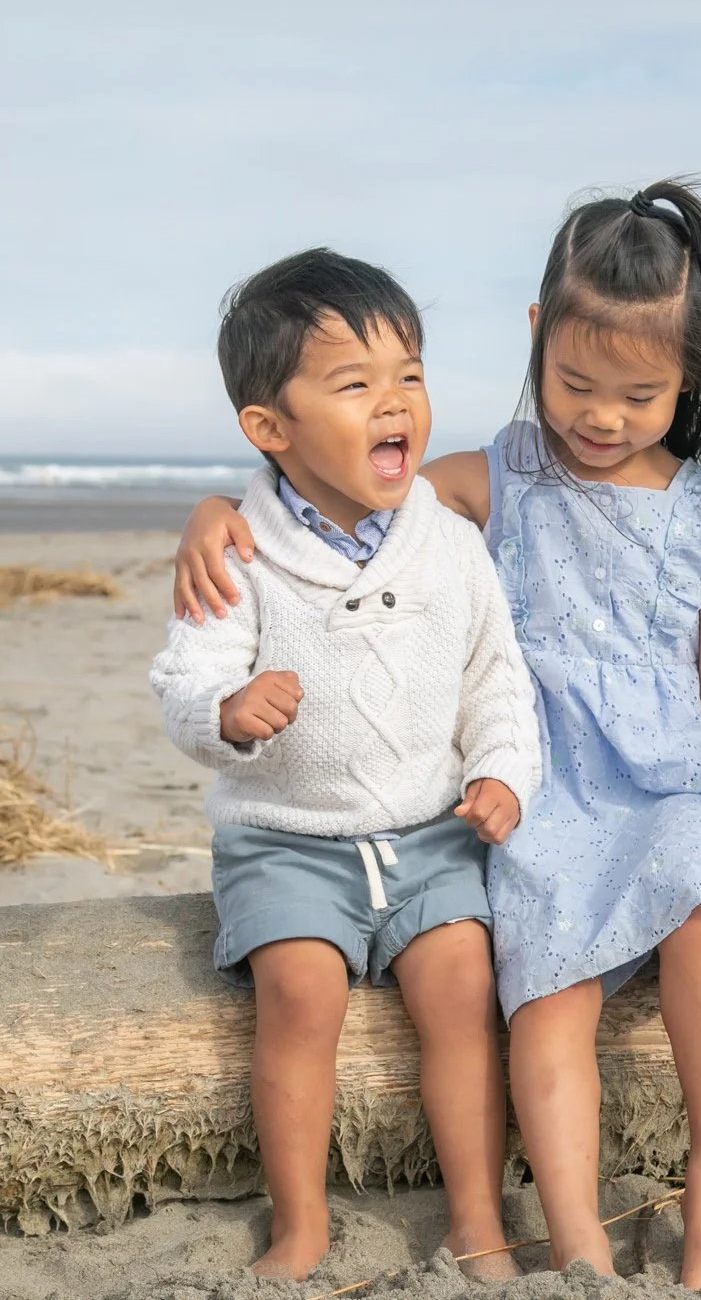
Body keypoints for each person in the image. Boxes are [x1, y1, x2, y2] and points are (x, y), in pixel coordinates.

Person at [171, 183, 701, 1292]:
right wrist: (217, 514)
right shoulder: (497, 482)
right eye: (576, 384)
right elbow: (337, 502)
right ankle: (575, 1239)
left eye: (641, 394)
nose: (602, 417)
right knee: (545, 988)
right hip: (540, 790)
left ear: (690, 375)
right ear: (536, 338)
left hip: (676, 781)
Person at [149, 248, 540, 1282]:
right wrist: (227, 714)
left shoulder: (447, 543)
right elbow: (181, 681)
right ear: (269, 429)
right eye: (354, 383)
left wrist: (500, 772)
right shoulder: (238, 550)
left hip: (428, 831)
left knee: (461, 985)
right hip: (287, 840)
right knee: (300, 992)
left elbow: (494, 676)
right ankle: (301, 1224)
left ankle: (475, 1219)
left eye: (407, 374)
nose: (393, 403)